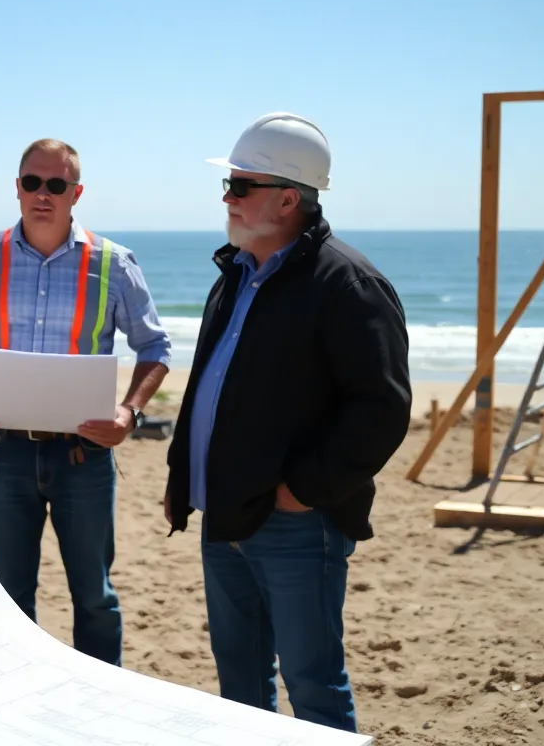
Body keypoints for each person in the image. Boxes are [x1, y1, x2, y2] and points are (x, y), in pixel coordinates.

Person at [162, 113, 411, 732]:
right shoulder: (236, 273)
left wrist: (301, 491)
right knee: (240, 684)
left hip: (296, 525)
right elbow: (207, 387)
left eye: (241, 185)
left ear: (288, 199)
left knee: (313, 687)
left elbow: (381, 409)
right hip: (224, 513)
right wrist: (181, 479)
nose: (227, 197)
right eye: (229, 184)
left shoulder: (348, 284)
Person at [0, 138, 172, 667]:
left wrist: (129, 412)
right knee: (7, 598)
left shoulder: (115, 263)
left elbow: (155, 346)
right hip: (2, 454)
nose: (43, 194)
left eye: (56, 185)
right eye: (33, 182)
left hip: (85, 457)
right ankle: (16, 700)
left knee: (95, 597)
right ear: (17, 188)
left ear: (75, 193)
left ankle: (100, 703)